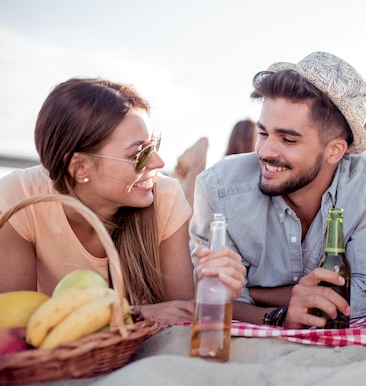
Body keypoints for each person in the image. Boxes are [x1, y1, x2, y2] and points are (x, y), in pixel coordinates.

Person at [0, 77, 245, 325]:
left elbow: (182, 314)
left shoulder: (165, 197)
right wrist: (137, 314)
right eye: (139, 154)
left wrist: (214, 289)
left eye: (154, 145)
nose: (159, 163)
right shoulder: (19, 197)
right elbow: (16, 324)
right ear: (80, 167)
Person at [190, 51, 366, 329]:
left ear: (335, 150)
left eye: (288, 139)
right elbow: (212, 302)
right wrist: (282, 313)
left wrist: (254, 295)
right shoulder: (218, 188)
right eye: (263, 133)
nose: (265, 152)